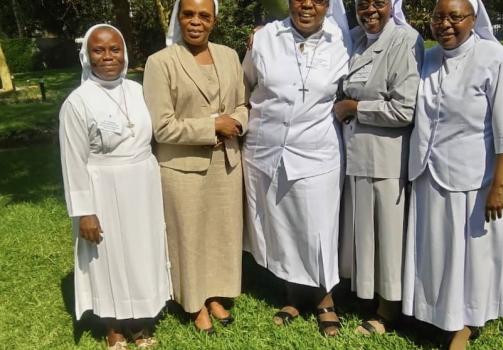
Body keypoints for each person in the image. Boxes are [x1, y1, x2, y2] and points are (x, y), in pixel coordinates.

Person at [402, 0, 503, 349]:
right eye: (439, 17)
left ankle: (465, 324)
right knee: (438, 251)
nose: (445, 25)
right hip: (430, 173)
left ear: (473, 19)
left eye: (455, 17)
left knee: (470, 258)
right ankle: (438, 314)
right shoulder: (427, 58)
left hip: (477, 178)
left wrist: (499, 186)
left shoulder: (494, 59)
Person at [59, 24, 171, 349]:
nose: (108, 57)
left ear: (124, 52)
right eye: (99, 50)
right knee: (107, 256)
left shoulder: (139, 90)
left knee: (140, 252)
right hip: (102, 188)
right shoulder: (77, 102)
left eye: (114, 49)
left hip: (143, 185)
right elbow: (72, 161)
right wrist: (84, 213)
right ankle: (113, 325)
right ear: (86, 56)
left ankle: (139, 320)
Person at [242, 0, 350, 337]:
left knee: (318, 228)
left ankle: (324, 298)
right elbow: (245, 84)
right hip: (267, 148)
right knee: (280, 224)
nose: (307, 4)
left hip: (317, 151)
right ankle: (292, 294)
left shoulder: (343, 41)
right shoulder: (264, 38)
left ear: (328, 5)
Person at [143, 0, 248, 334]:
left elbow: (243, 104)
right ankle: (194, 302)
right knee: (188, 235)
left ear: (214, 20)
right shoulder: (160, 62)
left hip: (226, 164)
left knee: (221, 233)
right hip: (182, 166)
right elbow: (161, 126)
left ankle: (216, 293)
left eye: (204, 15)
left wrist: (237, 123)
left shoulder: (230, 55)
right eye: (188, 14)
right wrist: (212, 126)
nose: (196, 21)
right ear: (179, 17)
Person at [334, 0, 423, 336]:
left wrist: (355, 107)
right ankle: (368, 296)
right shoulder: (357, 40)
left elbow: (405, 108)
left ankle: (389, 309)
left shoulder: (404, 39)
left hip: (386, 158)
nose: (370, 10)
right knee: (365, 234)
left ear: (393, 6)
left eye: (379, 3)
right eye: (363, 4)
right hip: (357, 155)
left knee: (387, 235)